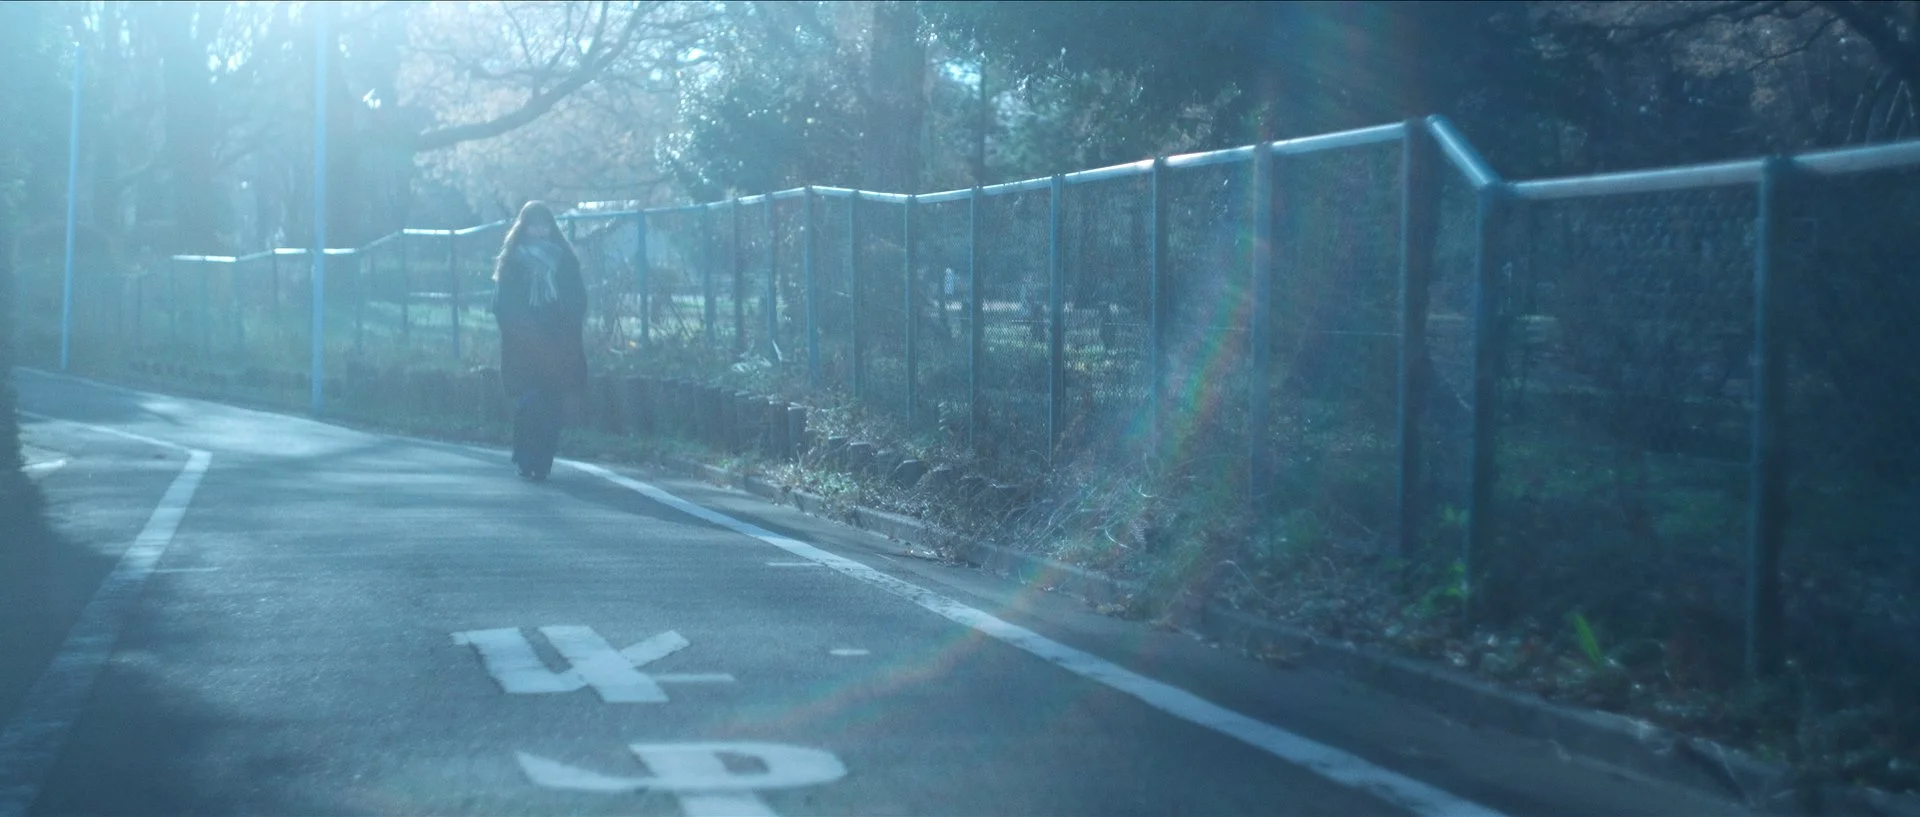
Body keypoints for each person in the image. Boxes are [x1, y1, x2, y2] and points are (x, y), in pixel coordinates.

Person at [490, 201, 587, 482]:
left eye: (544, 225)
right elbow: (502, 303)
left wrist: (566, 326)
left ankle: (544, 460)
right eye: (533, 225)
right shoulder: (512, 260)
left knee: (553, 403)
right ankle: (524, 456)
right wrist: (522, 330)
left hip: (558, 343)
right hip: (524, 345)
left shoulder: (565, 260)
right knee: (529, 402)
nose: (539, 230)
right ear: (524, 227)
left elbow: (578, 298)